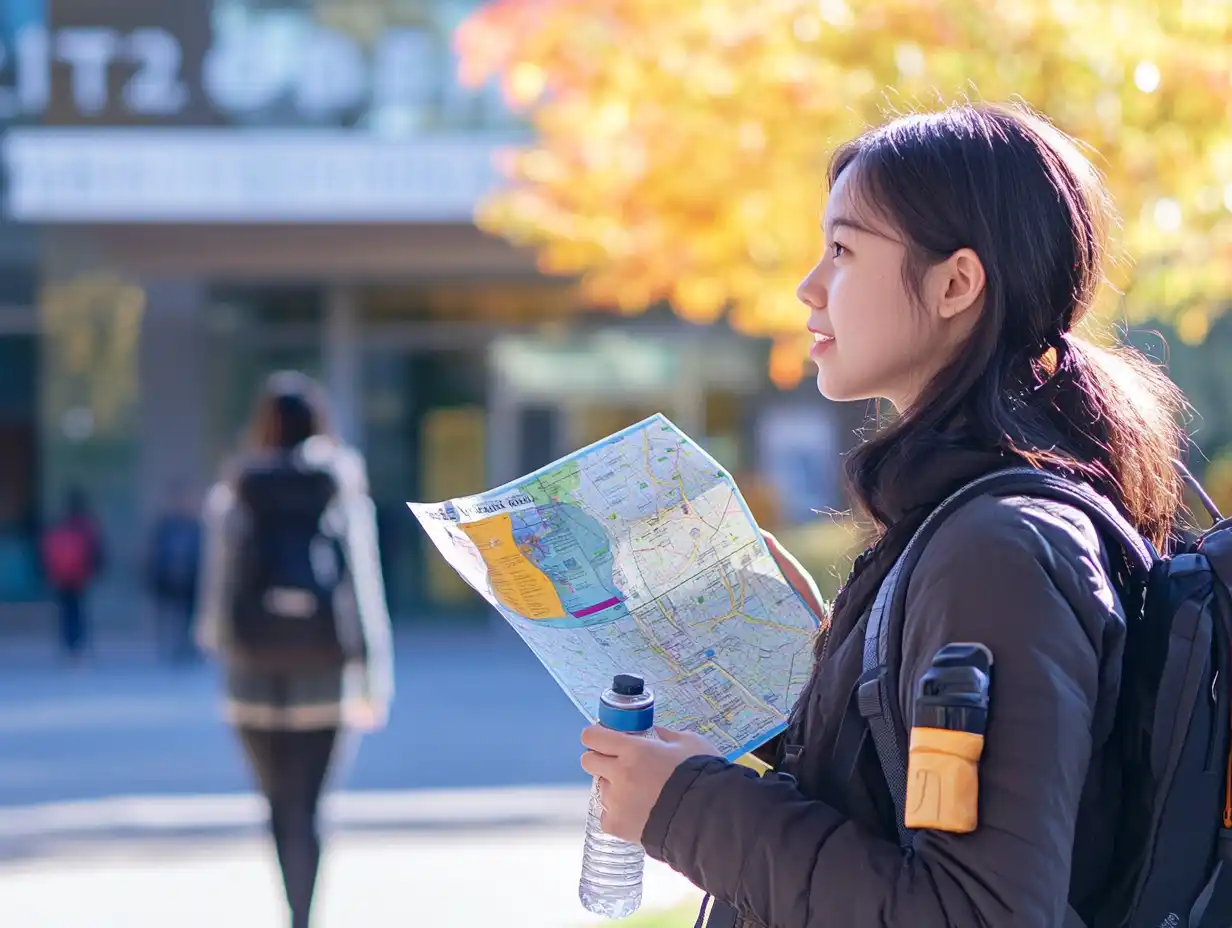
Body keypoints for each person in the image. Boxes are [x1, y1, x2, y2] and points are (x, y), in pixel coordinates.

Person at [579, 103, 1190, 926]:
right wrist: (811, 674)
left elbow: (974, 914)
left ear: (955, 283)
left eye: (842, 249)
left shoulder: (999, 551)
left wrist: (684, 807)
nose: (809, 286)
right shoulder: (958, 522)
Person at [196, 371, 394, 928]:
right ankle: (302, 916)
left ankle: (292, 907)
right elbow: (363, 585)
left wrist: (217, 644)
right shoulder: (338, 482)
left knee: (276, 805)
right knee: (309, 807)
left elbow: (218, 583)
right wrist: (374, 676)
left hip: (251, 678)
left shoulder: (238, 484)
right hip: (324, 676)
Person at [41, 487, 105, 663]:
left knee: (66, 612)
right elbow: (97, 552)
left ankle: (69, 647)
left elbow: (48, 551)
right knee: (78, 611)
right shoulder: (87, 527)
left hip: (61, 577)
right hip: (81, 577)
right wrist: (96, 572)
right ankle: (79, 648)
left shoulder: (61, 523)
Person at [145, 484, 203, 663]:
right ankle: (171, 648)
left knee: (188, 616)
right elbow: (154, 554)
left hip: (190, 581)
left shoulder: (194, 527)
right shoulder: (165, 527)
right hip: (168, 581)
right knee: (169, 616)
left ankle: (187, 648)